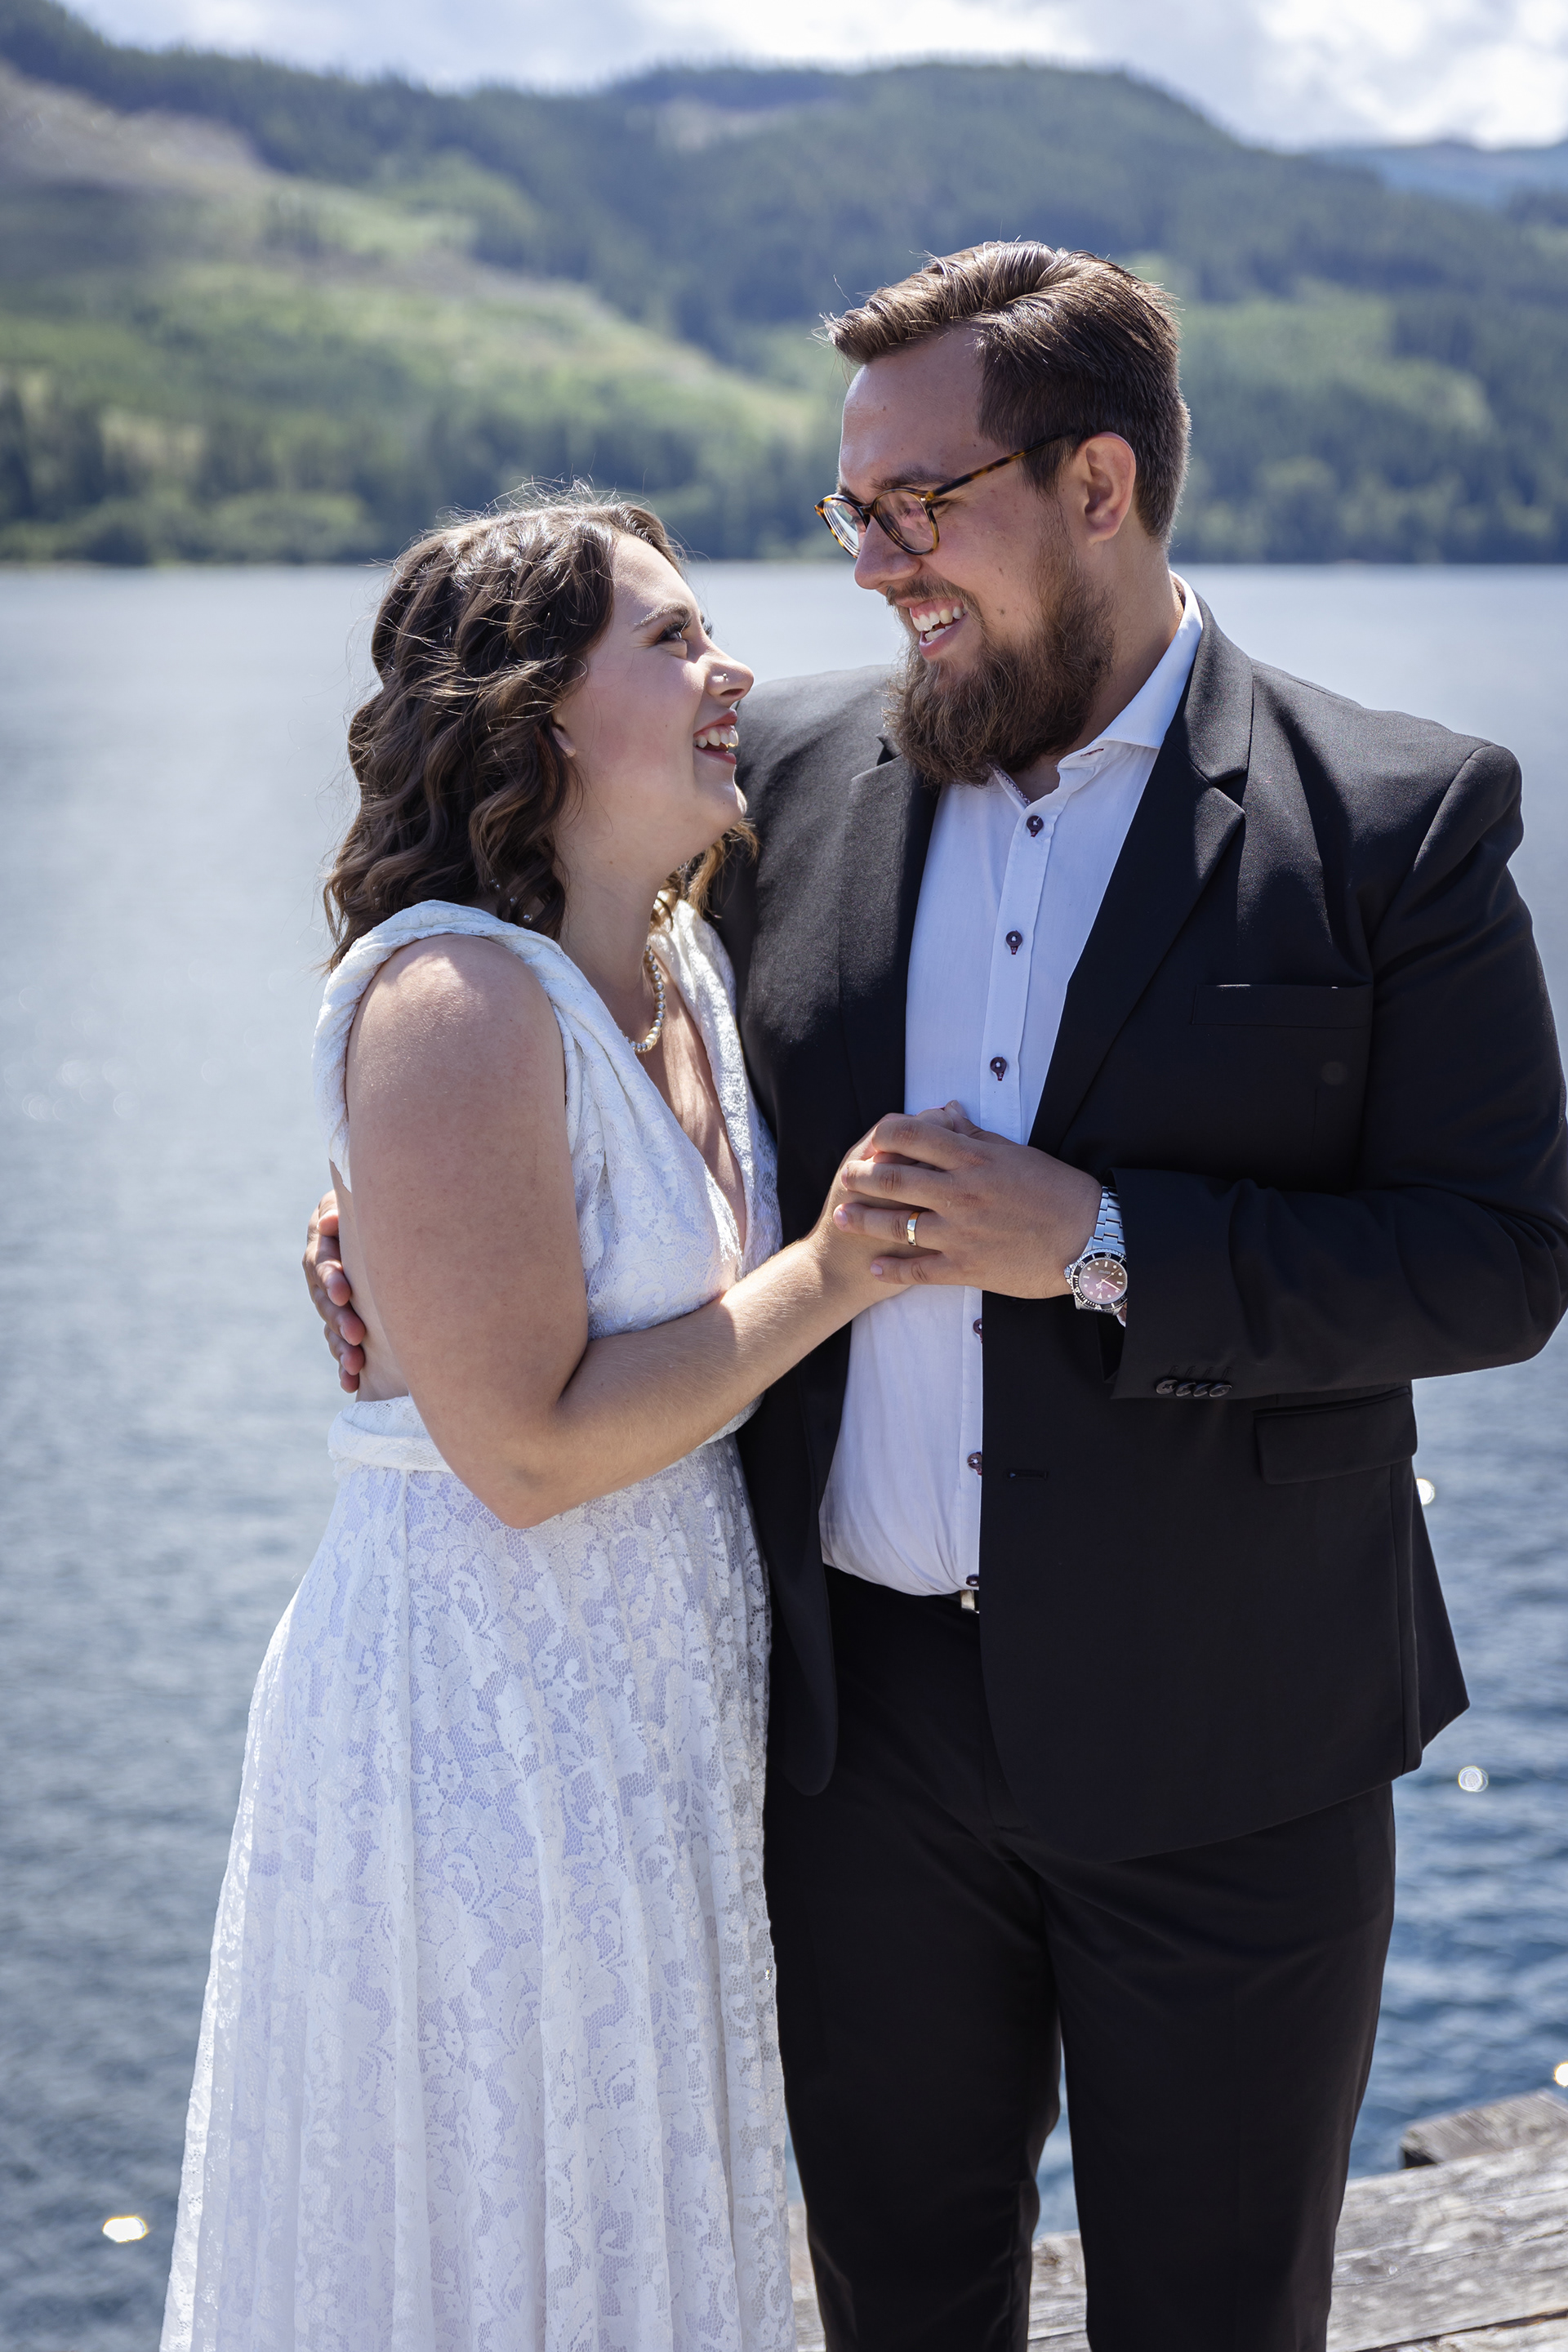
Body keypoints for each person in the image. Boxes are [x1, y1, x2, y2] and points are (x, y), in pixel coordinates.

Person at [309, 245, 1568, 2352]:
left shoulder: (1394, 817)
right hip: (851, 1746)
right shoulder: (780, 782)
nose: (874, 563)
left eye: (920, 504)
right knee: (893, 2313)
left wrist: (1102, 1239)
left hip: (1232, 1739)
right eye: (853, 509)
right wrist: (388, 1219)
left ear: (1099, 484)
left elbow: (1500, 1258)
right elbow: (560, 1018)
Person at [165, 497, 902, 2352]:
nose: (730, 669)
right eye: (673, 639)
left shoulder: (685, 964)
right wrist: (844, 1265)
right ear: (542, 710)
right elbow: (524, 1455)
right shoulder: (454, 1002)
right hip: (480, 1725)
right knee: (489, 2221)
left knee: (635, 2209)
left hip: (658, 1713)